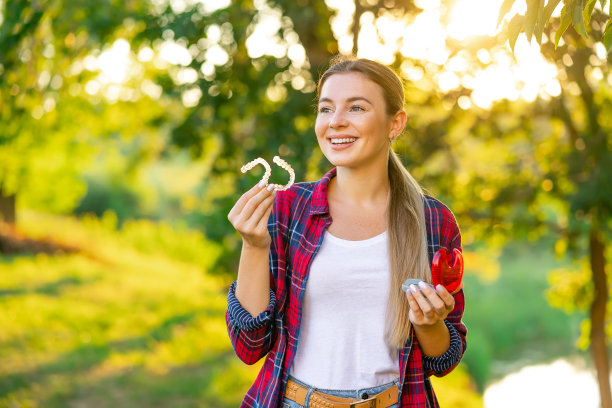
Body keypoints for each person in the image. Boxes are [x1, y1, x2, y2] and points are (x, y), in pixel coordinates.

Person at [226, 56, 467, 408]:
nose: (336, 122)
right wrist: (254, 245)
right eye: (325, 109)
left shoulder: (433, 220)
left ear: (394, 123)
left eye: (356, 108)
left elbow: (443, 360)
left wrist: (429, 323)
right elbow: (249, 347)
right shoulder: (288, 208)